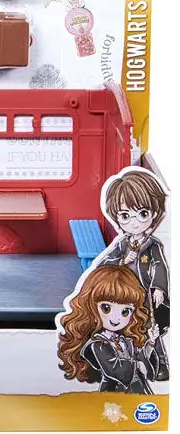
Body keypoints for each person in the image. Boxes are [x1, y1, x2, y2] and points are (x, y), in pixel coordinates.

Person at [98, 169, 169, 380]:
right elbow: (103, 264)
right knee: (128, 328)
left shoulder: (152, 245)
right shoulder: (122, 244)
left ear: (154, 213)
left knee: (151, 329)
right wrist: (122, 261)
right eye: (125, 216)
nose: (135, 223)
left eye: (143, 214)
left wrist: (159, 287)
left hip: (145, 295)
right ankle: (132, 362)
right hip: (125, 296)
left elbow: (160, 265)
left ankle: (161, 364)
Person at [58, 266, 159, 394]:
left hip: (137, 391)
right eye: (106, 308)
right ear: (90, 306)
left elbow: (139, 357)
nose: (116, 318)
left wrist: (151, 343)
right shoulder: (97, 344)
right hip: (113, 393)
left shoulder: (124, 341)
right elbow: (114, 369)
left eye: (125, 311)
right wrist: (137, 365)